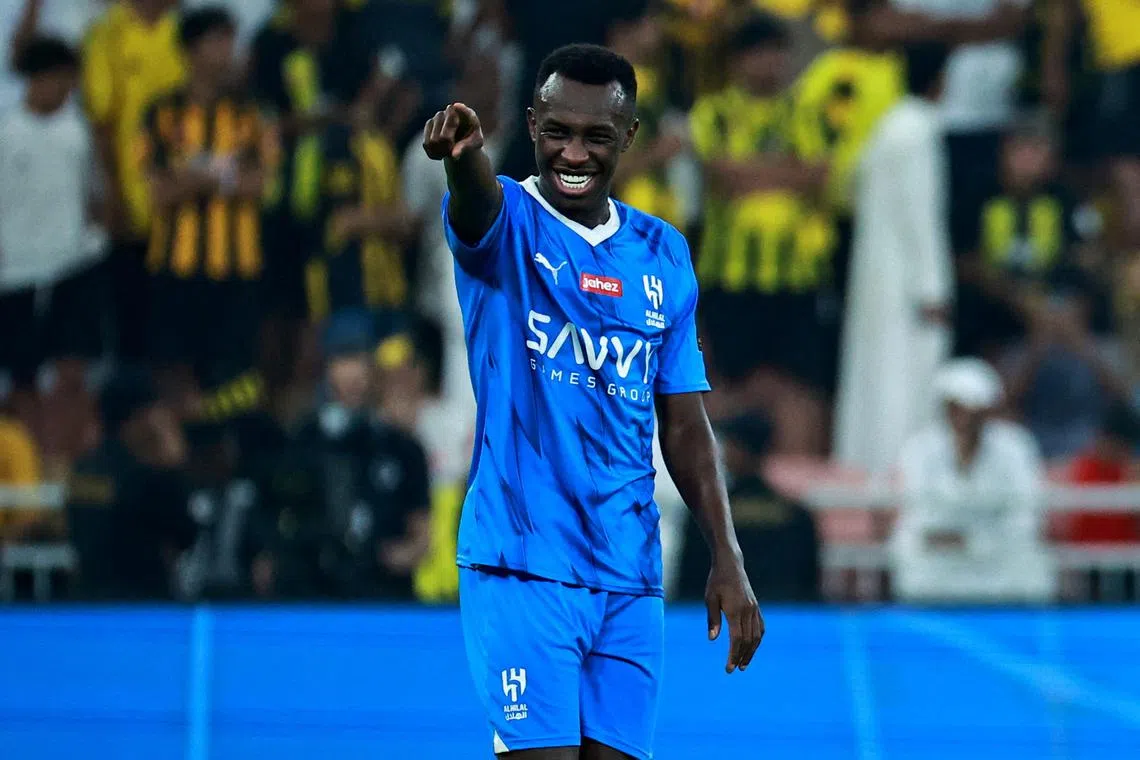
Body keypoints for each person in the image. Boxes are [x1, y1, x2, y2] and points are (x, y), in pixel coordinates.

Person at [422, 43, 762, 759]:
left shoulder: (663, 252)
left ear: (629, 138)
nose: (573, 152)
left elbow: (684, 420)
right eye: (557, 132)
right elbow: (476, 203)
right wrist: (462, 157)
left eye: (597, 136)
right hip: (522, 560)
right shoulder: (507, 218)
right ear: (532, 123)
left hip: (628, 571)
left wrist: (725, 554)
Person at [139, 7, 276, 409]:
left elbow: (262, 183)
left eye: (229, 40)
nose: (226, 51)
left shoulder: (251, 112)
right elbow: (158, 192)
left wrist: (195, 176)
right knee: (173, 374)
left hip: (238, 266)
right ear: (190, 50)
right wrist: (222, 174)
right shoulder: (161, 112)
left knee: (235, 378)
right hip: (174, 265)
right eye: (216, 41)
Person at [833, 42, 954, 475]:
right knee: (910, 374)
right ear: (941, 80)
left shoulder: (885, 127)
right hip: (908, 280)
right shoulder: (920, 130)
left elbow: (849, 187)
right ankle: (905, 471)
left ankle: (871, 469)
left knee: (877, 374)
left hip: (875, 271)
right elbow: (920, 213)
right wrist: (932, 287)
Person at [0, 36, 103, 472]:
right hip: (15, 271)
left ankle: (68, 464)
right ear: (36, 80)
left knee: (72, 373)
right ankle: (29, 467)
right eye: (59, 79)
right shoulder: (7, 134)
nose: (66, 89)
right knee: (22, 378)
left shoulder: (79, 132)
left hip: (73, 265)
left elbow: (96, 194)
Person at [891, 358, 1055, 603]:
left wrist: (973, 542)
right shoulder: (919, 448)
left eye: (974, 410)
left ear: (989, 410)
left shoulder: (1016, 446)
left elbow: (1025, 518)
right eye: (955, 407)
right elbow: (918, 518)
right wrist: (953, 540)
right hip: (937, 572)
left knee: (1027, 559)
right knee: (910, 554)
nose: (964, 418)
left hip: (1003, 570)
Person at [82, 0, 185, 360]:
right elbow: (102, 123)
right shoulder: (107, 32)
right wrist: (113, 193)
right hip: (132, 200)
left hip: (187, 204)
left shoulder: (184, 29)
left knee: (179, 321)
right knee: (132, 317)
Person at [676, 413, 821, 602]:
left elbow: (689, 584)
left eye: (729, 444)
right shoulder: (796, 514)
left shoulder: (706, 512)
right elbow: (808, 588)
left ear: (740, 451)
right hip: (785, 621)